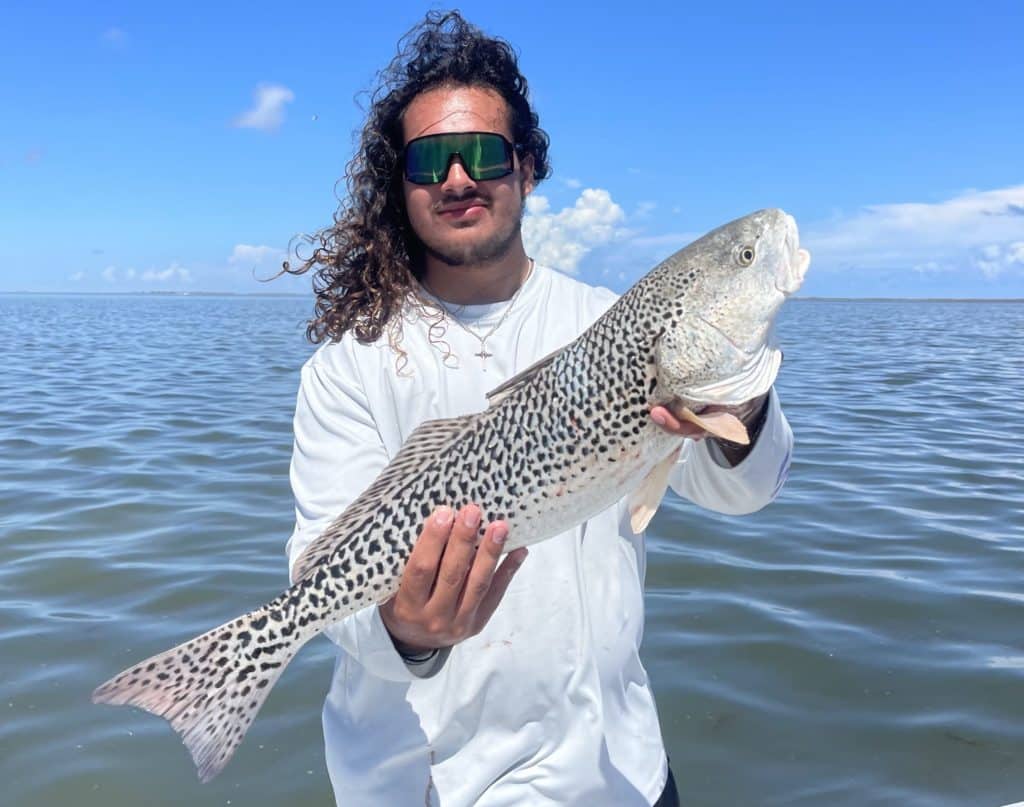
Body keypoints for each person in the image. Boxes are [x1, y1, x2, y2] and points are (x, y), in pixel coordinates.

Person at [283, 11, 792, 806]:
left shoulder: (610, 319)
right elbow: (320, 582)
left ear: (526, 168)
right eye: (429, 161)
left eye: (484, 153)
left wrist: (745, 405)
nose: (459, 178)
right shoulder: (347, 367)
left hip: (617, 773)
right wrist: (406, 630)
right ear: (402, 182)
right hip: (421, 788)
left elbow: (745, 490)